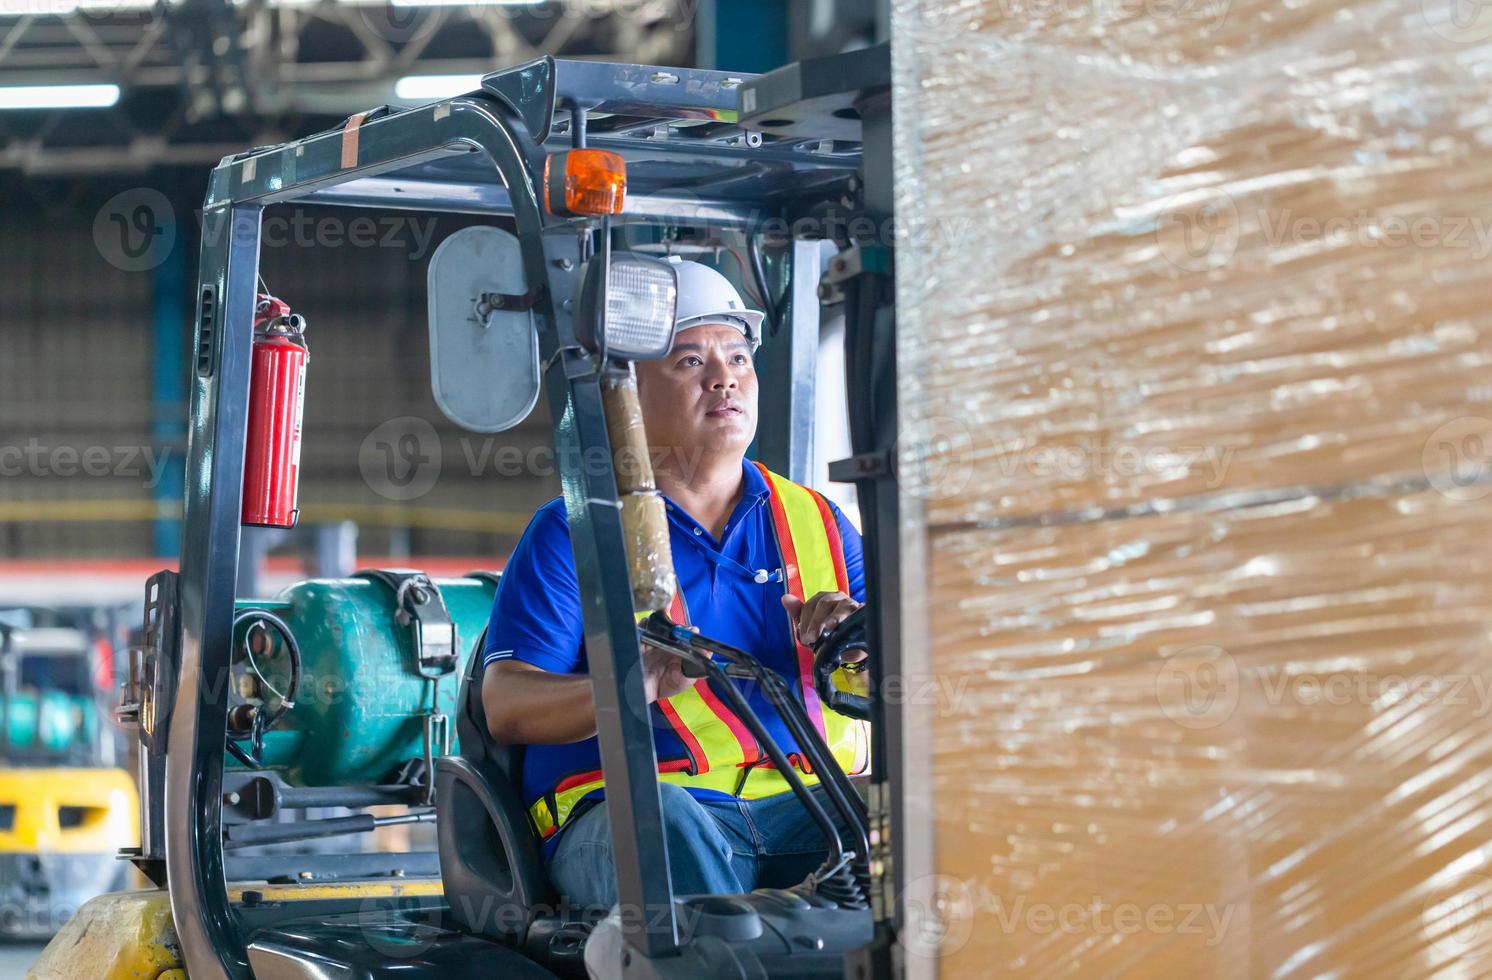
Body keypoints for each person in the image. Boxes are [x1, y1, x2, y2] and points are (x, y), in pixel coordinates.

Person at [481, 257, 870, 909]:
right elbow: (508, 706)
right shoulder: (575, 532)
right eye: (692, 362)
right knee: (662, 820)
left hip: (805, 805)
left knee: (916, 819)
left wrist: (856, 648)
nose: (725, 379)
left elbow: (886, 684)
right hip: (645, 812)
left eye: (739, 359)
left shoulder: (822, 523)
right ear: (627, 394)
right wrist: (636, 684)